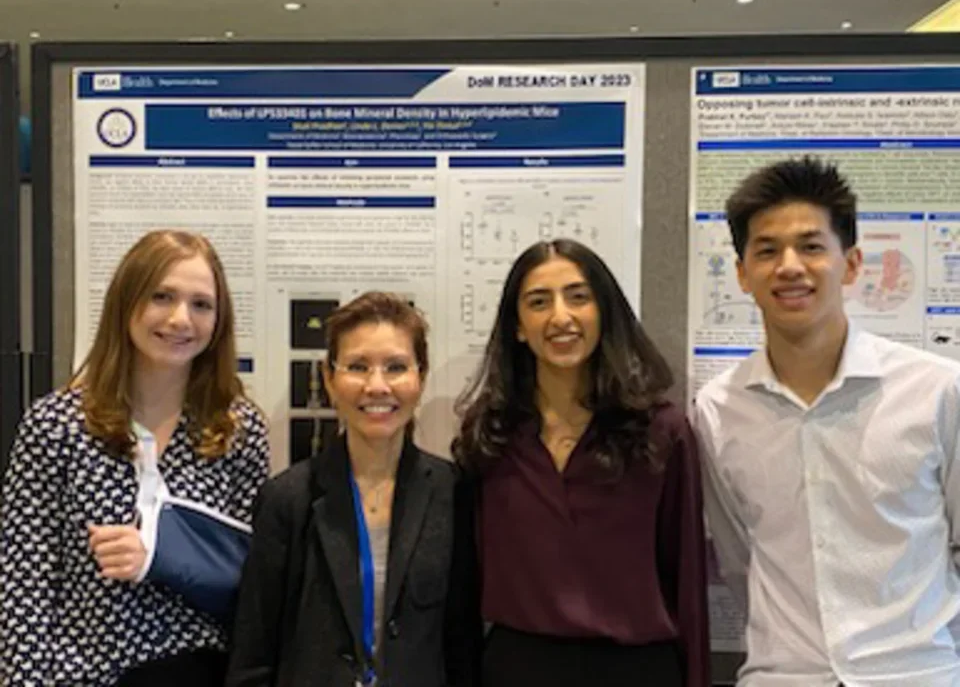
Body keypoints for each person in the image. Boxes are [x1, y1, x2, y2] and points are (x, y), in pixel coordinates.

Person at [695, 155, 960, 686]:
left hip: (913, 673)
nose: (789, 266)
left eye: (811, 246)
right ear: (743, 274)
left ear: (853, 263)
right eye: (767, 250)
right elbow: (738, 557)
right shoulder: (718, 411)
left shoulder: (936, 390)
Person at [0, 230, 270, 686]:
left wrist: (162, 555)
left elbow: (252, 582)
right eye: (161, 296)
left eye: (201, 304)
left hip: (202, 672)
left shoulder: (236, 431)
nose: (180, 319)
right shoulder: (56, 425)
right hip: (85, 675)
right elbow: (24, 583)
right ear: (126, 303)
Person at [453, 238, 709, 687]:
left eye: (578, 297)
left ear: (603, 312)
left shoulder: (660, 434)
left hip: (637, 670)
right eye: (538, 301)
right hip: (517, 669)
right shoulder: (490, 437)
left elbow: (687, 584)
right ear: (517, 325)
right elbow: (465, 586)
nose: (560, 317)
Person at [227, 291, 479, 686]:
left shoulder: (454, 493)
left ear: (421, 378)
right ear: (329, 379)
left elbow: (463, 645)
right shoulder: (288, 499)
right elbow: (254, 654)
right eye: (357, 366)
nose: (377, 386)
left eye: (396, 367)